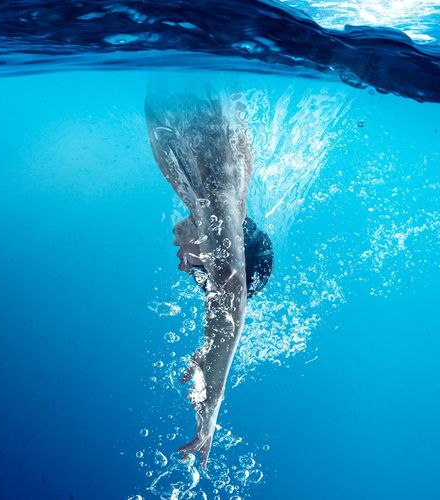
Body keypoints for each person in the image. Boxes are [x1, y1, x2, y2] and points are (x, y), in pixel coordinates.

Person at [145, 76, 273, 468]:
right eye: (197, 269)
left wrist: (208, 349)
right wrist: (209, 411)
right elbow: (231, 288)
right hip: (191, 56)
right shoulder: (222, 200)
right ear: (220, 254)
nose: (182, 264)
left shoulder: (209, 199)